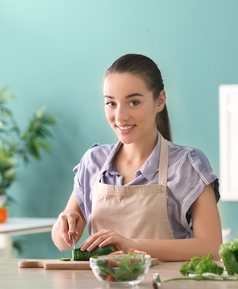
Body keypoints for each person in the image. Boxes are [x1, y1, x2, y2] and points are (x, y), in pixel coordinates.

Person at [52, 54, 222, 261]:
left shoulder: (186, 164)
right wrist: (66, 223)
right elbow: (61, 243)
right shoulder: (93, 161)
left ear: (159, 101)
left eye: (133, 102)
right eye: (111, 103)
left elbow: (211, 246)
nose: (120, 116)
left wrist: (132, 245)